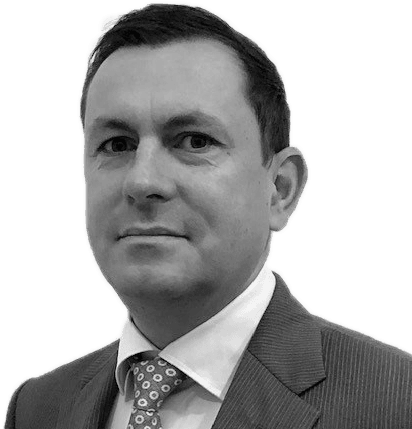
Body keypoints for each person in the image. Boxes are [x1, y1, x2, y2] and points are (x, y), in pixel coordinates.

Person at [4, 3, 412, 429]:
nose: (142, 181)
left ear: (279, 189)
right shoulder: (37, 408)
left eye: (194, 141)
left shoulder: (397, 403)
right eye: (118, 144)